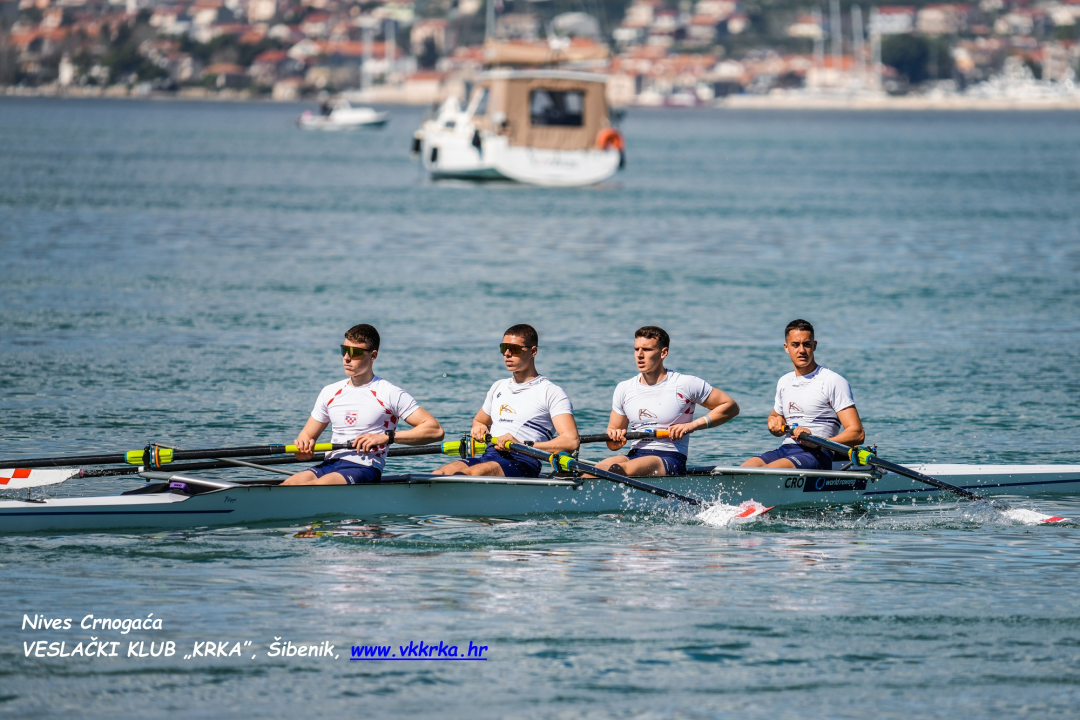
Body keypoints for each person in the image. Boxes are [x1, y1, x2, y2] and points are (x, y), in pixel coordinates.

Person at [282, 324, 444, 485]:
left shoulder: (389, 393)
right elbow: (307, 435)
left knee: (318, 485)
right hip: (330, 464)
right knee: (288, 485)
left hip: (364, 467)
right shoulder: (330, 392)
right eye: (344, 350)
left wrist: (386, 438)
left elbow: (435, 430)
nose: (346, 357)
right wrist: (303, 446)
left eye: (355, 352)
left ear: (373, 355)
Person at [432, 324, 579, 477]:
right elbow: (479, 421)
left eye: (514, 349)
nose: (507, 354)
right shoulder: (498, 387)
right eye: (504, 348)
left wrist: (521, 445)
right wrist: (479, 428)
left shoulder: (551, 392)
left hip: (524, 461)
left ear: (533, 351)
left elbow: (571, 441)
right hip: (489, 456)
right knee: (440, 472)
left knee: (472, 473)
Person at [592, 326, 739, 478]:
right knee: (592, 472)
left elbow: (730, 407)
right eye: (636, 349)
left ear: (663, 353)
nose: (640, 355)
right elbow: (612, 443)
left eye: (647, 350)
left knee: (617, 470)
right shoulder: (624, 388)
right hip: (634, 454)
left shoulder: (685, 384)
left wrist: (692, 425)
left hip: (670, 457)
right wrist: (616, 439)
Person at [742, 319, 865, 470]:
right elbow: (775, 416)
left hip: (818, 454)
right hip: (786, 450)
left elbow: (857, 433)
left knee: (769, 471)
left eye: (806, 344)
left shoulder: (832, 381)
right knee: (744, 470)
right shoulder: (784, 382)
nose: (801, 350)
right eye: (795, 345)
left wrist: (818, 442)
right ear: (786, 347)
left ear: (814, 346)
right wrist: (773, 424)